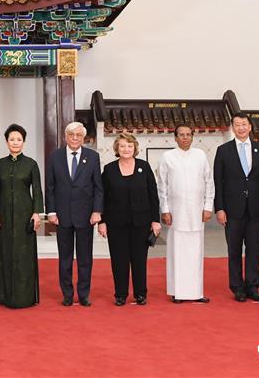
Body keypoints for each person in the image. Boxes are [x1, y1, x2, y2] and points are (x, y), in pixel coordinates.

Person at [213, 113, 259, 302]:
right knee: (234, 250)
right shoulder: (223, 151)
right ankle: (237, 287)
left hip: (257, 208)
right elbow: (218, 182)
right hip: (232, 209)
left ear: (250, 127)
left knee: (254, 249)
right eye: (237, 125)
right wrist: (219, 208)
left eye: (244, 124)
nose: (241, 128)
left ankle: (253, 286)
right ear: (232, 128)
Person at [98, 133, 160, 306]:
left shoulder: (144, 167)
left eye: (130, 146)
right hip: (116, 223)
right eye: (123, 146)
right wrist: (102, 221)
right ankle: (120, 294)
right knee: (119, 260)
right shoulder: (109, 169)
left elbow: (153, 195)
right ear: (117, 148)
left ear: (135, 148)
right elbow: (102, 197)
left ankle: (140, 293)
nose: (126, 149)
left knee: (139, 260)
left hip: (141, 222)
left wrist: (155, 220)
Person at [45, 122, 103, 306]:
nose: (75, 138)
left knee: (85, 258)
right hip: (62, 215)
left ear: (83, 137)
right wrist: (51, 211)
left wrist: (97, 211)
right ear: (65, 136)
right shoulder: (55, 156)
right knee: (65, 258)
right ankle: (67, 294)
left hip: (86, 215)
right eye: (71, 135)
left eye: (79, 135)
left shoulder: (92, 157)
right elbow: (50, 186)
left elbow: (98, 187)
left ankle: (84, 294)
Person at [158, 124, 214, 304]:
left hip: (197, 212)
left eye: (188, 134)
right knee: (177, 253)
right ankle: (178, 292)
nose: (185, 138)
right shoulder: (167, 157)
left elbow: (209, 182)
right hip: (176, 212)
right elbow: (162, 185)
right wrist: (165, 209)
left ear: (193, 137)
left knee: (196, 253)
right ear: (175, 138)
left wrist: (208, 206)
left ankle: (196, 292)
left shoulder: (200, 155)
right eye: (181, 135)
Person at [0, 123, 43, 309]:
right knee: (6, 252)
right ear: (6, 142)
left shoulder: (31, 164)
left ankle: (24, 297)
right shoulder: (0, 164)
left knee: (24, 255)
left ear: (24, 142)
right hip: (4, 214)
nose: (15, 142)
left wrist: (36, 213)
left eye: (19, 139)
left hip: (25, 215)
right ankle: (4, 295)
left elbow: (37, 190)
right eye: (12, 139)